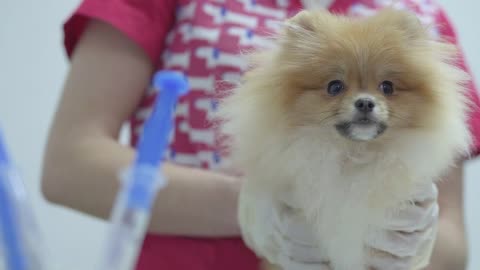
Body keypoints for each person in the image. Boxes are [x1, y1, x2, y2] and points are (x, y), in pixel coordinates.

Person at [41, 0, 480, 269]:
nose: (366, 100)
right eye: (335, 87)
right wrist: (256, 207)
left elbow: (454, 238)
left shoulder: (422, 15)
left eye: (385, 88)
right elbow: (69, 164)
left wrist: (411, 246)